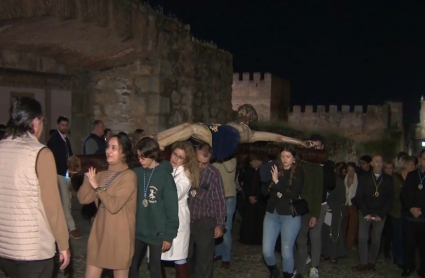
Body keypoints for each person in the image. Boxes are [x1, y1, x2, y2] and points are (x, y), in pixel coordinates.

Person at [0, 98, 70, 277]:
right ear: (35, 122)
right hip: (32, 249)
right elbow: (52, 206)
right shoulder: (40, 153)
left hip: (5, 247)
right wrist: (63, 243)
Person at [78, 133, 137, 278]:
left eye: (114, 148)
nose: (108, 151)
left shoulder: (129, 176)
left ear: (123, 153)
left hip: (119, 237)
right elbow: (83, 198)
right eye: (108, 147)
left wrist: (97, 187)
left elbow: (114, 205)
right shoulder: (103, 173)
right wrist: (88, 177)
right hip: (100, 233)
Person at [130, 138, 179, 278]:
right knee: (131, 266)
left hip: (157, 231)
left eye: (143, 157)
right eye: (138, 156)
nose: (140, 160)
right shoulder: (136, 173)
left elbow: (171, 208)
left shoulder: (164, 176)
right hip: (138, 229)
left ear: (152, 155)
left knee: (155, 269)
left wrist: (169, 235)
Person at [261, 144, 304, 278]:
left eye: (288, 157)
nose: (285, 159)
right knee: (267, 251)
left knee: (286, 252)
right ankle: (273, 270)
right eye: (283, 156)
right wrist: (271, 181)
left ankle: (288, 274)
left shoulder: (298, 172)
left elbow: (292, 194)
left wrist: (277, 182)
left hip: (289, 216)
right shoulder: (276, 169)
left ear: (294, 158)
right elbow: (264, 192)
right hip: (272, 214)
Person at [188, 142, 226, 278]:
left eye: (204, 163)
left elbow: (220, 201)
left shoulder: (214, 174)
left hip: (205, 221)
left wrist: (220, 224)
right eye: (198, 162)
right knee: (186, 257)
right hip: (187, 219)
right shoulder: (187, 169)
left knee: (204, 260)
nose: (200, 166)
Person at [161, 141, 199, 278]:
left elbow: (175, 194)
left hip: (178, 217)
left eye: (180, 157)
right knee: (156, 256)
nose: (175, 159)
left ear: (186, 160)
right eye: (174, 154)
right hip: (161, 215)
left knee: (179, 257)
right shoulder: (165, 168)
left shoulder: (186, 175)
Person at [354, 155, 394, 271]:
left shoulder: (387, 179)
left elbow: (389, 199)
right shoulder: (364, 178)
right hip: (365, 212)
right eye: (377, 161)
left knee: (376, 239)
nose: (379, 164)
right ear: (371, 163)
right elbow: (359, 197)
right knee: (362, 238)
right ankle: (363, 262)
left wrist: (381, 215)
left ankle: (372, 261)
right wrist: (365, 212)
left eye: (381, 161)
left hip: (380, 213)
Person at [47, 116, 82, 240]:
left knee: (67, 200)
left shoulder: (66, 140)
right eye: (62, 125)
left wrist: (72, 169)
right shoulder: (54, 140)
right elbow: (52, 159)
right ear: (57, 125)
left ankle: (65, 226)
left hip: (65, 174)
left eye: (66, 125)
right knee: (65, 201)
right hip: (59, 174)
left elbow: (70, 155)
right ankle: (71, 227)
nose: (64, 127)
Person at [400, 150, 425, 278]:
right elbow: (404, 194)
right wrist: (411, 208)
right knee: (409, 246)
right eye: (424, 159)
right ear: (419, 160)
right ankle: (409, 267)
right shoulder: (412, 175)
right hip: (411, 218)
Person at [389, 156, 416, 270]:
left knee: (407, 237)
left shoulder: (412, 178)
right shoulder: (395, 178)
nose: (413, 167)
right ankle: (399, 258)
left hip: (409, 211)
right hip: (397, 211)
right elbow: (393, 193)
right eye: (411, 164)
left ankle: (405, 258)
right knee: (398, 236)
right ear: (405, 165)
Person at [213, 156, 237, 269]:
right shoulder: (213, 157)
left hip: (228, 197)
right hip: (214, 197)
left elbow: (229, 168)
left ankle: (226, 258)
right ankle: (218, 253)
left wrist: (223, 153)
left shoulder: (231, 158)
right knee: (215, 227)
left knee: (226, 229)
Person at [239, 153, 268, 245]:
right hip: (249, 199)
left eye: (253, 161)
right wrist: (249, 196)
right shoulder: (249, 171)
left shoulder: (264, 171)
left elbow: (264, 187)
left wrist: (257, 197)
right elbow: (245, 184)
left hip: (260, 200)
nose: (251, 163)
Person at [321, 164, 347, 263]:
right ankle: (325, 253)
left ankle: (334, 254)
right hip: (325, 210)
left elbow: (341, 198)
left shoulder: (339, 182)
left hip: (335, 211)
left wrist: (330, 205)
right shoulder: (322, 181)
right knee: (324, 233)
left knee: (334, 233)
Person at [344, 162, 359, 251]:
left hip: (353, 204)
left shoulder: (357, 179)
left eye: (352, 170)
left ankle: (350, 244)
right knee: (345, 224)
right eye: (348, 170)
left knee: (353, 225)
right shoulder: (345, 179)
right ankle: (344, 243)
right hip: (346, 204)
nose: (350, 172)